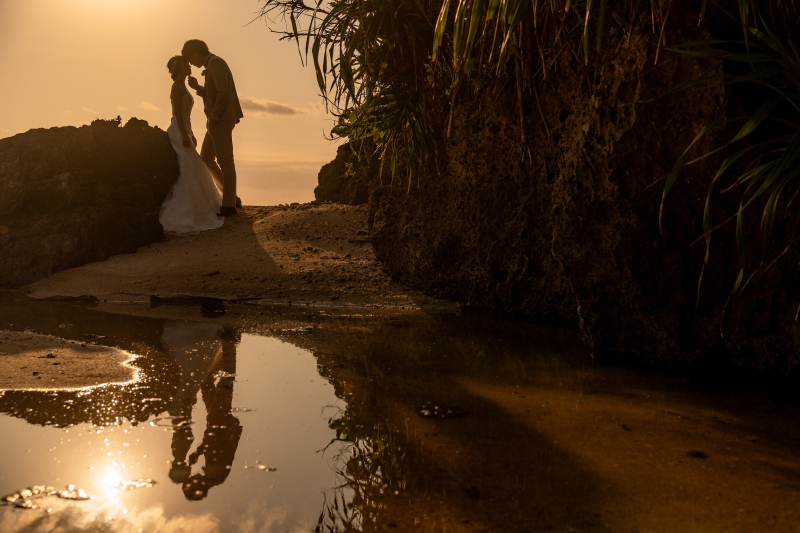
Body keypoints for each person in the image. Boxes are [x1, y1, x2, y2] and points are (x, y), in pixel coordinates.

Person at [159, 56, 224, 236]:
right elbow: (177, 115)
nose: (190, 66)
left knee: (195, 167)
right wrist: (183, 134)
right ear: (180, 67)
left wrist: (192, 133)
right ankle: (189, 211)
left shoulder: (184, 85)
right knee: (191, 167)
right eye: (187, 65)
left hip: (185, 130)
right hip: (178, 131)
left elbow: (186, 115)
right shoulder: (176, 87)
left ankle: (207, 207)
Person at [181, 39, 244, 217]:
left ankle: (229, 206)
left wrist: (215, 116)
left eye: (190, 59)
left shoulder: (215, 63)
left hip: (220, 120)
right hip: (215, 120)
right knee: (206, 159)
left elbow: (224, 92)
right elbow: (214, 93)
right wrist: (198, 88)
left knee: (226, 161)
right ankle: (232, 198)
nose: (191, 63)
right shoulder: (212, 64)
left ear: (195, 53)